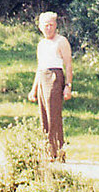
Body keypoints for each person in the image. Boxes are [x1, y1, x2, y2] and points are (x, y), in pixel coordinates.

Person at [27, 11, 73, 161]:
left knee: (54, 116)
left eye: (51, 25)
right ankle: (47, 151)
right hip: (42, 78)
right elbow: (40, 67)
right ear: (40, 27)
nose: (48, 28)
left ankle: (58, 152)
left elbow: (68, 64)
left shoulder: (61, 41)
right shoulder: (41, 44)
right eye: (45, 25)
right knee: (44, 116)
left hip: (55, 77)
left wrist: (68, 85)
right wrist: (34, 89)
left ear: (56, 25)